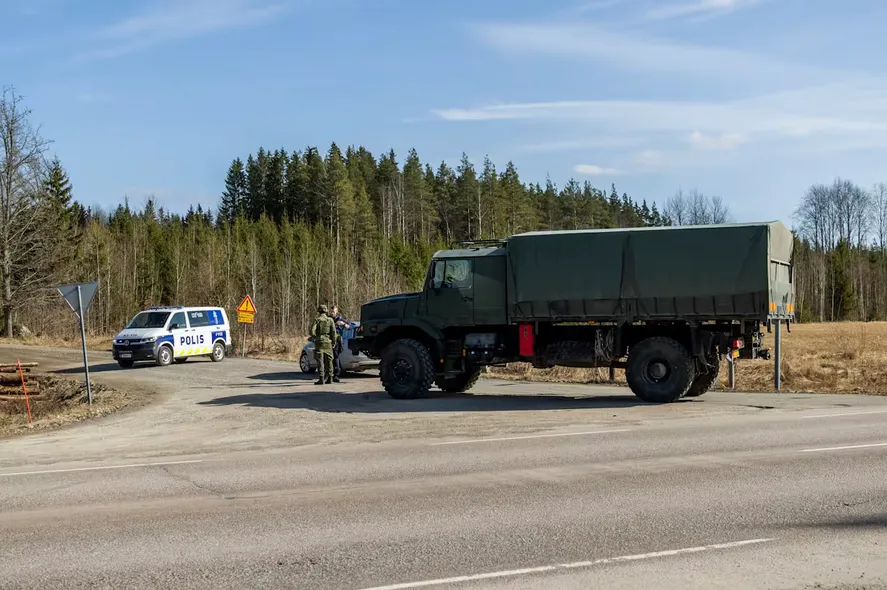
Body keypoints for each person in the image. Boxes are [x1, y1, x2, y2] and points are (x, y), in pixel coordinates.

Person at [310, 304, 336, 385]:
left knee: (320, 360)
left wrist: (315, 337)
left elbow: (312, 331)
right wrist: (333, 342)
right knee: (329, 360)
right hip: (328, 342)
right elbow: (334, 332)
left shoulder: (317, 320)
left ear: (319, 311)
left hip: (319, 342)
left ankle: (321, 378)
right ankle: (330, 378)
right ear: (326, 311)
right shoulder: (330, 320)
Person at [330, 304, 351, 381]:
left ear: (336, 311)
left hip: (337, 340)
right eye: (331, 311)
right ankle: (329, 373)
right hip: (329, 340)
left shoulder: (340, 319)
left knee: (336, 357)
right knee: (329, 358)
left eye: (334, 311)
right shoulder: (328, 319)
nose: (332, 313)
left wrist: (343, 324)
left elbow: (349, 327)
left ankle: (336, 374)